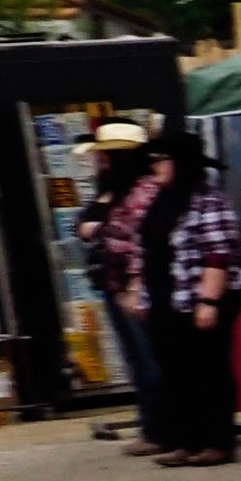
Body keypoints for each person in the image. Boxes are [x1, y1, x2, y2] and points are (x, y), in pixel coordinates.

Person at [137, 137, 241, 468]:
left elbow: (218, 254)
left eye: (160, 159)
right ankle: (186, 440)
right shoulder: (162, 202)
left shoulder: (210, 202)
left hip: (200, 297)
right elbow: (149, 251)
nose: (154, 166)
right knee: (175, 371)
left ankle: (217, 442)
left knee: (209, 369)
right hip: (166, 300)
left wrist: (209, 300)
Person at [78, 121, 166, 447]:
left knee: (148, 360)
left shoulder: (140, 193)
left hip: (134, 286)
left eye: (105, 156)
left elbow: (136, 243)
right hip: (118, 285)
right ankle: (152, 427)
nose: (100, 162)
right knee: (138, 360)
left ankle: (158, 430)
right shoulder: (117, 190)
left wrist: (133, 285)